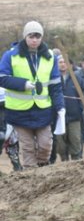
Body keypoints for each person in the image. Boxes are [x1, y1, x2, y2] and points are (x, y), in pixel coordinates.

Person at [0, 21, 65, 168]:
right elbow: (2, 78)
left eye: (38, 36)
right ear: (25, 36)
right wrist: (23, 84)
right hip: (19, 110)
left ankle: (42, 166)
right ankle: (30, 174)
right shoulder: (10, 55)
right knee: (27, 147)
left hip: (43, 109)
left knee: (46, 144)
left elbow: (55, 85)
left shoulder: (50, 57)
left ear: (41, 37)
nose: (34, 40)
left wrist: (60, 106)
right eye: (31, 36)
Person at [56, 56, 84, 161]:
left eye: (65, 62)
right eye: (60, 62)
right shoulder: (53, 78)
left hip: (74, 116)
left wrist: (80, 109)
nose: (63, 64)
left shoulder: (76, 78)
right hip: (58, 117)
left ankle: (76, 164)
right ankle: (64, 164)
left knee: (76, 141)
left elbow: (82, 95)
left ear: (71, 65)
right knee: (60, 144)